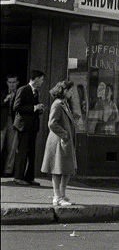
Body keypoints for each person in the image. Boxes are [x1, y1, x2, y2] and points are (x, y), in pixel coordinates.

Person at [41, 80, 77, 208]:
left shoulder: (64, 103)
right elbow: (51, 123)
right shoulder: (57, 104)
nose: (72, 92)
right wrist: (65, 134)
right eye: (70, 90)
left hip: (64, 142)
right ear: (64, 91)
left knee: (66, 169)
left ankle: (62, 194)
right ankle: (57, 197)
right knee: (57, 170)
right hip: (58, 142)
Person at [12, 70, 45, 184]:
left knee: (31, 152)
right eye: (41, 79)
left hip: (32, 127)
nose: (42, 82)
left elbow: (31, 108)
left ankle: (29, 177)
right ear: (35, 79)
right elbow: (17, 107)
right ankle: (18, 177)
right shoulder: (23, 89)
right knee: (22, 151)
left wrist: (38, 109)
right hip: (23, 127)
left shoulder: (35, 91)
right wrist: (34, 108)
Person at [2, 73, 19, 176]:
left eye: (14, 82)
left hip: (13, 122)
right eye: (10, 82)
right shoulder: (2, 93)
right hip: (2, 122)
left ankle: (8, 171)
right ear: (7, 83)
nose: (12, 85)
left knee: (12, 147)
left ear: (17, 83)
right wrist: (6, 100)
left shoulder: (20, 93)